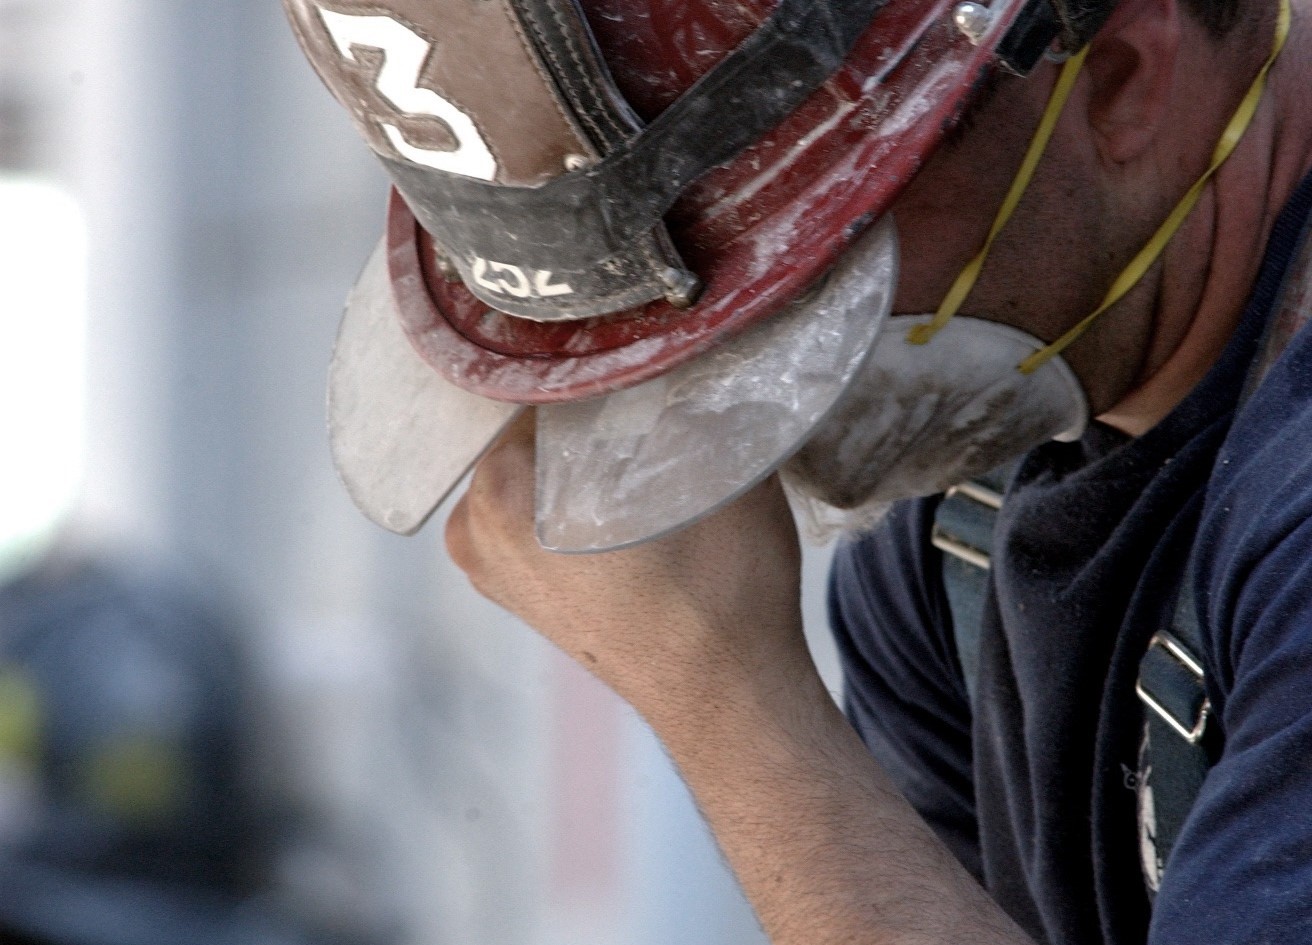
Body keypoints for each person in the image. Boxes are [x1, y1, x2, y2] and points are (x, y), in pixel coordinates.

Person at [287, 0, 1312, 940]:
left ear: (1124, 74)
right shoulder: (959, 533)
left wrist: (728, 694)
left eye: (798, 285)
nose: (718, 394)